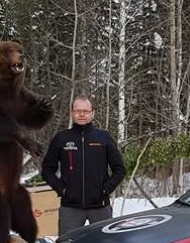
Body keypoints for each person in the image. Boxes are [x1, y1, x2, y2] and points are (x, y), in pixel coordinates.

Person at [41, 96, 126, 235]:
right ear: (72, 112)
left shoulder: (103, 137)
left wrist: (105, 190)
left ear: (93, 113)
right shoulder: (62, 138)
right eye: (78, 111)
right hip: (70, 208)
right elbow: (47, 170)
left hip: (100, 207)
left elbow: (120, 169)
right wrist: (62, 189)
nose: (82, 114)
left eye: (86, 111)